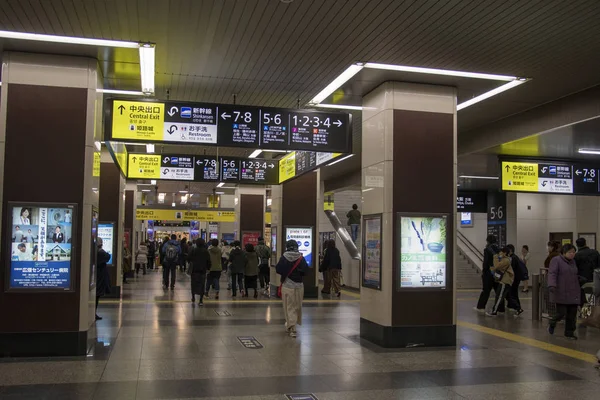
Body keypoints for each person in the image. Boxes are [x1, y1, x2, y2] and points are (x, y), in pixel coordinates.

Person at [276, 239, 310, 338]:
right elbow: (305, 271)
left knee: (288, 306)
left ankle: (292, 327)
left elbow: (278, 269)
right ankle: (292, 325)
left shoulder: (284, 257)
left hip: (287, 285)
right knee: (297, 306)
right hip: (299, 286)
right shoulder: (301, 258)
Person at [548, 243, 581, 339]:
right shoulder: (556, 260)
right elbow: (552, 273)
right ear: (563, 252)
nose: (572, 254)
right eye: (570, 252)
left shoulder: (573, 262)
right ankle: (552, 323)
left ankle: (569, 333)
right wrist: (552, 285)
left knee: (572, 314)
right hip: (561, 291)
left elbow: (573, 274)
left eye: (574, 252)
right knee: (561, 313)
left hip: (573, 291)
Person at [475, 235, 501, 313]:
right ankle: (501, 308)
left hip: (488, 273)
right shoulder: (499, 249)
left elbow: (486, 263)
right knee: (498, 291)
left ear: (488, 241)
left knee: (486, 290)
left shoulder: (487, 249)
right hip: (497, 273)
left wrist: (484, 271)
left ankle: (481, 307)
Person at [487, 246, 514, 316]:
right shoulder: (504, 259)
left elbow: (497, 266)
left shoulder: (506, 260)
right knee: (499, 296)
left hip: (505, 281)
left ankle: (494, 311)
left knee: (499, 297)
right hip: (503, 280)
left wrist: (495, 257)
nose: (500, 253)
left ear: (504, 253)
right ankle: (518, 308)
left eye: (501, 252)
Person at [188, 238, 210, 305]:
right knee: (202, 284)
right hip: (202, 270)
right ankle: (200, 300)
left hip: (194, 270)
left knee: (193, 284)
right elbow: (208, 261)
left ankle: (193, 297)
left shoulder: (193, 250)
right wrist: (208, 268)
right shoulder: (206, 251)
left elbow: (188, 258)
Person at [506, 244, 524, 315]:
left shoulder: (512, 258)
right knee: (513, 292)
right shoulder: (515, 257)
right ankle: (511, 305)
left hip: (514, 278)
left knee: (512, 293)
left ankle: (517, 307)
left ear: (510, 250)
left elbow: (511, 269)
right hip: (517, 278)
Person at [96, 237, 111, 321]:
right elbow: (108, 256)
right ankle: (93, 312)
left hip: (97, 275)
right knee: (97, 295)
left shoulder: (94, 251)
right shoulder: (100, 252)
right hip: (99, 276)